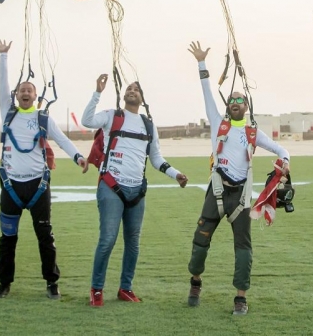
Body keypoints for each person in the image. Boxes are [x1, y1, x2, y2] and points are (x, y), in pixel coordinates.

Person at [186, 41, 292, 315]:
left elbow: (282, 150)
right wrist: (201, 63)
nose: (234, 102)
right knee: (200, 242)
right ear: (227, 106)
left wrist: (286, 162)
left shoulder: (253, 133)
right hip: (217, 190)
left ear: (246, 106)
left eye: (239, 100)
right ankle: (195, 281)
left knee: (243, 248)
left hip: (241, 196)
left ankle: (240, 299)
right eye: (231, 100)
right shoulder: (217, 123)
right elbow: (207, 93)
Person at [0, 40, 88, 301]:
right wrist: (3, 57)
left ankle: (51, 283)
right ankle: (4, 284)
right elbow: (1, 88)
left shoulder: (43, 119)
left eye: (29, 90)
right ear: (16, 95)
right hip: (11, 186)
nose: (25, 93)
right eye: (21, 90)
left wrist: (78, 156)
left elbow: (62, 139)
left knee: (45, 236)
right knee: (7, 239)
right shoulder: (7, 114)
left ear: (35, 96)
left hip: (38, 187)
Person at [82, 74, 188, 306]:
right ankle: (97, 289)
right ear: (123, 95)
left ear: (142, 97)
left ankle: (125, 288)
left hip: (136, 191)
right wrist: (97, 92)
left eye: (136, 89)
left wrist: (176, 174)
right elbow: (87, 120)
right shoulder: (111, 116)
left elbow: (156, 158)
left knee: (133, 242)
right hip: (111, 186)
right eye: (129, 88)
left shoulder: (148, 124)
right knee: (108, 239)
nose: (132, 90)